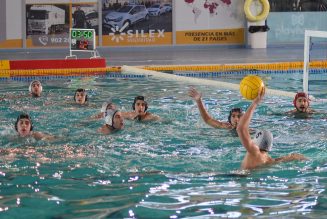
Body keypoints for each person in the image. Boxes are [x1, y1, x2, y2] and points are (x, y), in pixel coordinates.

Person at [237, 88, 307, 170]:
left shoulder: (254, 151)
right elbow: (284, 159)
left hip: (238, 176)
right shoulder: (269, 160)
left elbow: (241, 128)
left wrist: (255, 103)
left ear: (256, 141)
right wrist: (293, 157)